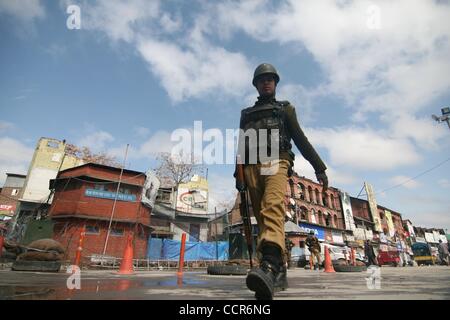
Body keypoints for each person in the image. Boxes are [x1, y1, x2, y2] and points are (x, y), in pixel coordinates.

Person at [236, 63, 328, 300]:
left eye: (270, 79)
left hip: (277, 161)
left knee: (272, 208)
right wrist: (238, 174)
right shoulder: (246, 114)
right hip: (251, 167)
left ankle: (268, 266)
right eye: (262, 79)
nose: (266, 82)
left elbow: (300, 139)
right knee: (263, 218)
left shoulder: (285, 109)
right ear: (256, 85)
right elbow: (241, 146)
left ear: (276, 83)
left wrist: (319, 168)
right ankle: (279, 271)